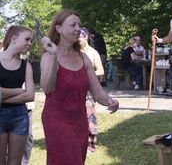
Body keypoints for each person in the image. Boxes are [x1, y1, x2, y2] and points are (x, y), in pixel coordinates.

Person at [40, 9, 119, 165]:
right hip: (57, 120)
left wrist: (110, 101)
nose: (78, 28)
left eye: (79, 25)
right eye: (72, 25)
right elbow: (47, 88)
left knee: (78, 160)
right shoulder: (49, 56)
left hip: (80, 120)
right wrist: (55, 56)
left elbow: (97, 92)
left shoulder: (84, 58)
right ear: (59, 29)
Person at [0, 26, 35, 165]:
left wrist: (1, 93)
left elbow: (30, 96)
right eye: (27, 39)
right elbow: (25, 93)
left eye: (31, 40)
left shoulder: (26, 66)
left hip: (20, 117)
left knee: (15, 163)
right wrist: (19, 91)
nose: (30, 44)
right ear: (13, 39)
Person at [79, 27, 104, 152]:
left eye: (79, 37)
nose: (77, 40)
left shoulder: (93, 52)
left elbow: (101, 70)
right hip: (76, 89)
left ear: (86, 37)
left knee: (89, 114)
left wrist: (88, 73)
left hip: (89, 89)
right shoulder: (73, 52)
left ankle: (90, 142)